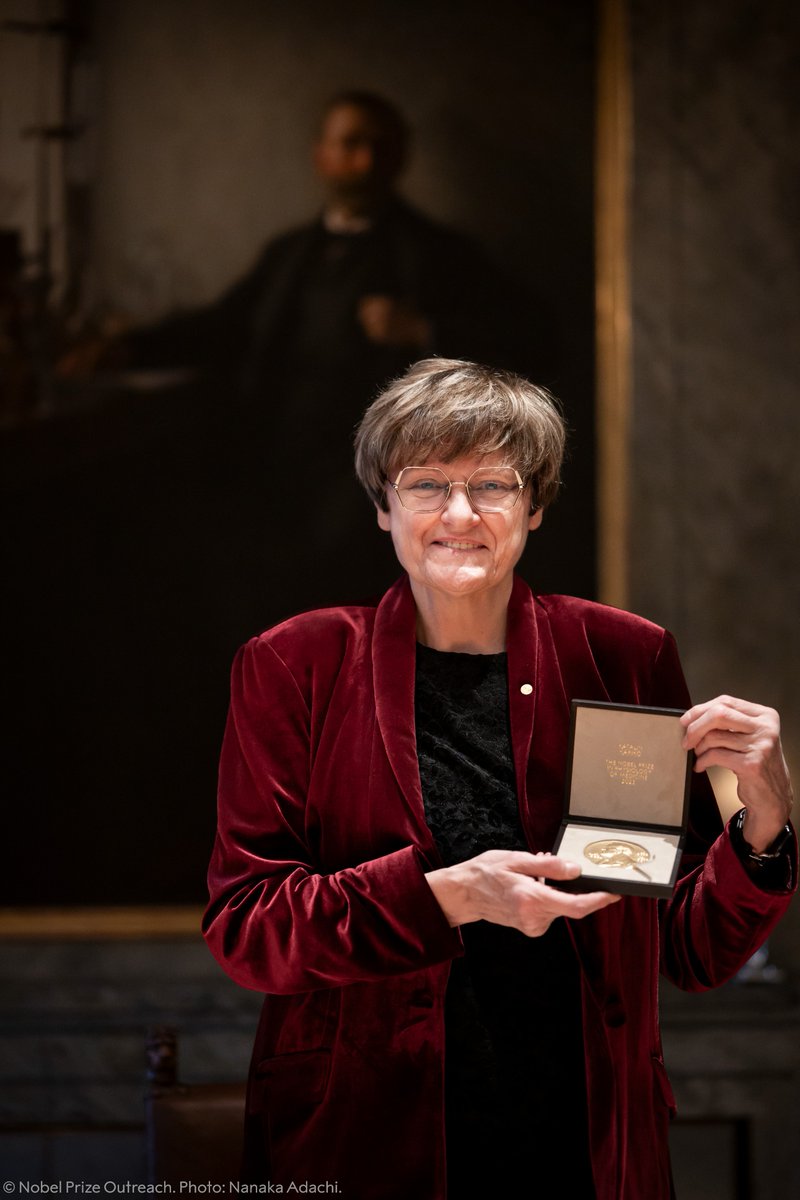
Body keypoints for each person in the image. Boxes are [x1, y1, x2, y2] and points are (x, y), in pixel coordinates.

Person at [202, 358, 795, 1199]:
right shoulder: (294, 664)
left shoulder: (622, 655)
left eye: (493, 484)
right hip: (366, 1138)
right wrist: (451, 896)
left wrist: (765, 823)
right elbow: (247, 928)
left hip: (583, 1141)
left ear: (536, 505)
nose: (459, 513)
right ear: (383, 507)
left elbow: (693, 948)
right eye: (425, 484)